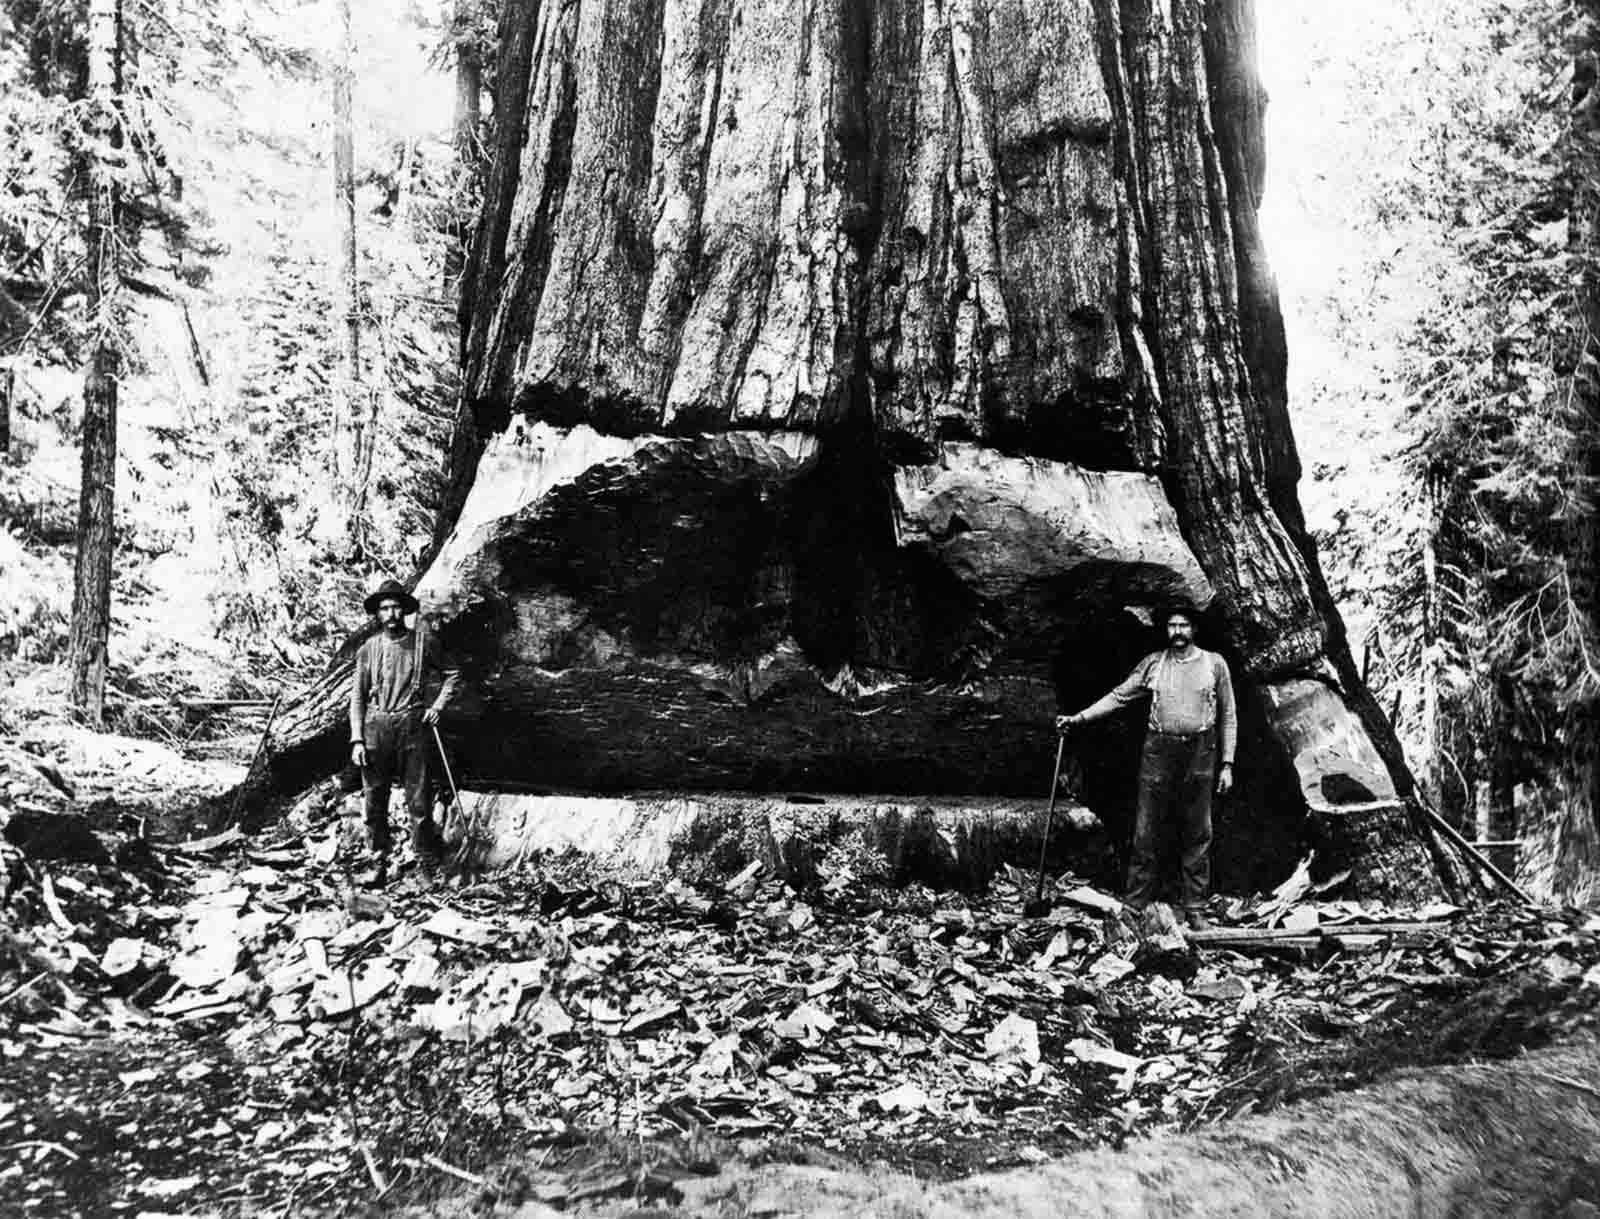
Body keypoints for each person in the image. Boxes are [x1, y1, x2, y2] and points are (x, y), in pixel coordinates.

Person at [1056, 602, 1236, 929]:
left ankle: (1195, 907)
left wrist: (1227, 763)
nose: (1178, 632)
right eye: (1172, 626)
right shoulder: (1154, 664)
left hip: (1201, 752)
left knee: (1198, 831)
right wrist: (1078, 718)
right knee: (1146, 829)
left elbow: (1229, 717)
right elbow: (1118, 696)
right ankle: (1135, 905)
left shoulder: (1215, 664)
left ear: (1194, 629)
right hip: (1159, 751)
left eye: (1184, 626)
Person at [349, 579, 460, 884]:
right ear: (378, 614)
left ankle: (424, 863)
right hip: (375, 727)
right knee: (374, 799)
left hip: (413, 726)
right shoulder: (368, 649)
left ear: (405, 610)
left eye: (396, 606)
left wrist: (437, 706)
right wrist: (357, 738)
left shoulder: (424, 643)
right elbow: (357, 697)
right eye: (385, 608)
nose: (391, 613)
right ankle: (377, 861)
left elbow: (452, 674)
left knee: (419, 799)